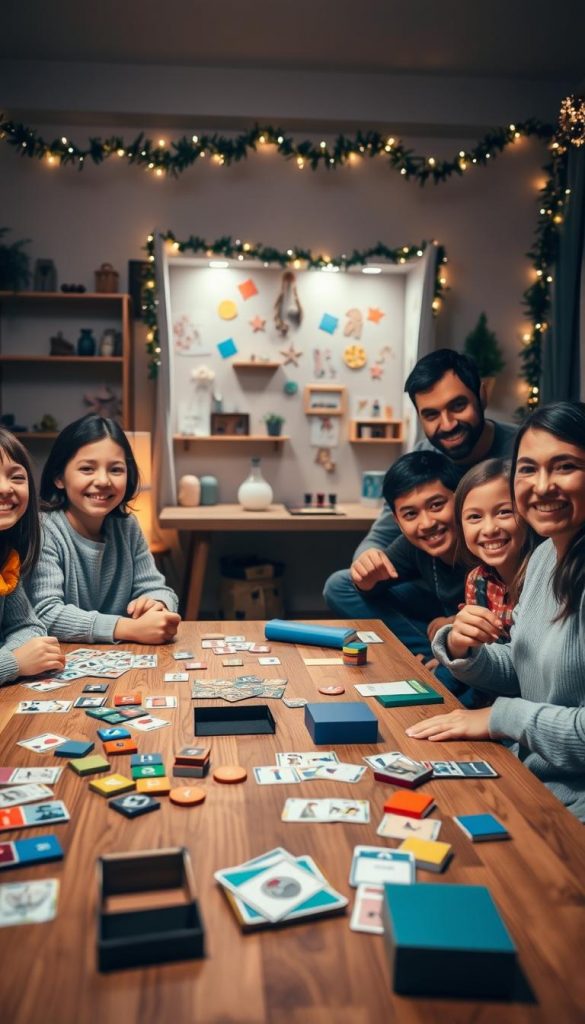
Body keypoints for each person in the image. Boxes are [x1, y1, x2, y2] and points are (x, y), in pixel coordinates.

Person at [406, 402, 585, 822]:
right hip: (529, 774)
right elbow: (526, 670)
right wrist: (462, 648)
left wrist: (499, 716)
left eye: (564, 467)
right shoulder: (545, 558)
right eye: (528, 469)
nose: (542, 486)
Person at [323, 349, 517, 637]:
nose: (448, 424)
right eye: (431, 414)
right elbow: (384, 531)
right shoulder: (425, 457)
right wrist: (368, 561)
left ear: (482, 395)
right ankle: (428, 654)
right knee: (341, 585)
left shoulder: (522, 452)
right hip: (442, 591)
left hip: (506, 591)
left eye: (458, 405)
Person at [28, 415, 180, 644]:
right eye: (87, 469)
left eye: (116, 470)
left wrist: (156, 605)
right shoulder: (44, 529)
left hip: (123, 659)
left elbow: (158, 589)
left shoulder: (127, 526)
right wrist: (127, 628)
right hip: (61, 661)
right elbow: (46, 614)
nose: (103, 480)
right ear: (59, 477)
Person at [355, 450, 473, 703]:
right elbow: (368, 586)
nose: (427, 523)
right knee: (341, 585)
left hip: (486, 640)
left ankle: (439, 662)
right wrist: (365, 581)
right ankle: (426, 656)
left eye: (436, 505)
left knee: (454, 691)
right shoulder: (411, 544)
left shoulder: (482, 538)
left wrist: (455, 623)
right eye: (410, 514)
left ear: (460, 499)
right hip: (442, 626)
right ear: (397, 521)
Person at [0, 427, 64, 686]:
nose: (5, 488)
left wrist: (21, 654)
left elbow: (27, 626)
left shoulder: (6, 556)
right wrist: (14, 661)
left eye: (16, 477)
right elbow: (21, 653)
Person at [454, 458, 536, 642]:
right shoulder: (477, 580)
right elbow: (484, 652)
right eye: (475, 517)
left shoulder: (544, 576)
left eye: (504, 512)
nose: (490, 529)